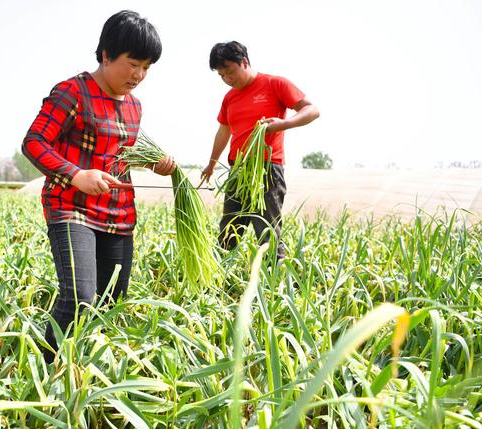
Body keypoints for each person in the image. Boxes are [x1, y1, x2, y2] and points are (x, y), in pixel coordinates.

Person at [22, 10, 176, 364]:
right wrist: (76, 174)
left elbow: (123, 154)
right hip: (71, 208)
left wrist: (155, 163)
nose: (139, 75)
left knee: (110, 304)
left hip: (118, 215)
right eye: (133, 63)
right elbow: (33, 142)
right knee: (79, 297)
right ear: (106, 55)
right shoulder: (72, 92)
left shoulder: (135, 107)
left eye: (147, 67)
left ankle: (84, 377)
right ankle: (43, 375)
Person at [201, 41, 319, 260]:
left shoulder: (275, 84)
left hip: (267, 169)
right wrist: (212, 162)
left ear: (244, 62)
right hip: (238, 170)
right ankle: (219, 281)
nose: (227, 79)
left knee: (266, 230)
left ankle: (276, 284)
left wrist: (283, 124)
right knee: (229, 230)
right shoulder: (230, 97)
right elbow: (224, 131)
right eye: (221, 76)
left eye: (230, 72)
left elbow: (312, 110)